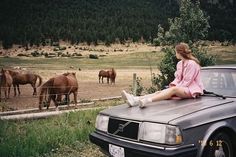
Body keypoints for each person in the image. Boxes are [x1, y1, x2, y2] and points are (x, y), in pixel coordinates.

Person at [121, 42, 204, 108]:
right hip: (182, 88)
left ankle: (148, 100)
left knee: (172, 90)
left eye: (175, 52)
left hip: (191, 90)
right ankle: (135, 99)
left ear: (179, 53)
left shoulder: (192, 64)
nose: (175, 54)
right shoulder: (179, 64)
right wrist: (170, 88)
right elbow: (178, 79)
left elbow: (187, 82)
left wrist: (173, 88)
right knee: (160, 92)